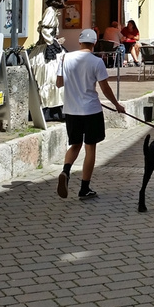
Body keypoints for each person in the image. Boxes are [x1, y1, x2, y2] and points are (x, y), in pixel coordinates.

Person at [56, 28, 125, 200]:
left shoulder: (65, 58)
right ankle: (84, 188)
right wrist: (117, 105)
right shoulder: (96, 62)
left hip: (71, 110)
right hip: (91, 110)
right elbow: (105, 88)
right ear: (94, 43)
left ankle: (65, 171)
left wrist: (75, 85)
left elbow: (59, 83)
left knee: (75, 144)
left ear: (80, 42)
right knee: (90, 148)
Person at [28, 0, 71, 121]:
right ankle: (49, 111)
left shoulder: (53, 11)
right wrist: (53, 43)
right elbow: (45, 30)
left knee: (54, 77)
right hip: (46, 51)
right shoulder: (50, 11)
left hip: (50, 47)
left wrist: (55, 41)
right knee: (48, 77)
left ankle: (56, 110)